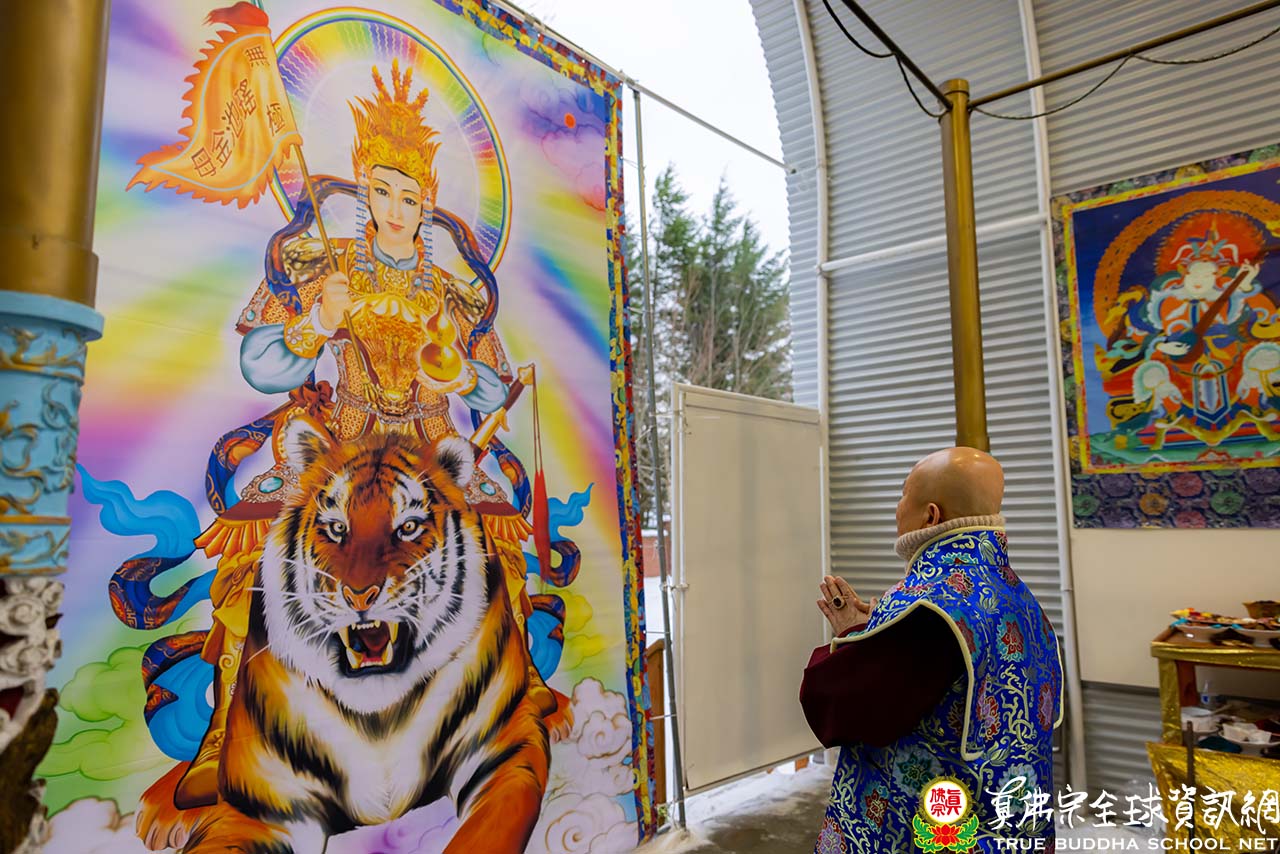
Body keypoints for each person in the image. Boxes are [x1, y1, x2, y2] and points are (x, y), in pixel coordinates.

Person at [800, 447, 1062, 852]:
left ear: (931, 516)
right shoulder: (1018, 596)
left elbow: (845, 708)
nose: (897, 507)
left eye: (903, 494)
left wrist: (852, 636)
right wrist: (878, 632)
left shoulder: (932, 610)